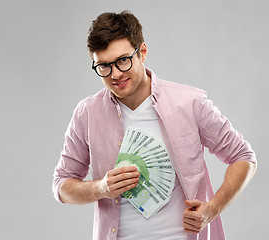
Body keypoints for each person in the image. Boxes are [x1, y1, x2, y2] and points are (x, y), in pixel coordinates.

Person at [52, 10, 257, 240]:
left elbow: (243, 157)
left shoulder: (189, 103)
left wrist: (212, 209)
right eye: (103, 66)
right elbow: (62, 185)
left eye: (123, 60)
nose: (115, 74)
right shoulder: (87, 113)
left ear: (143, 52)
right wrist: (101, 189)